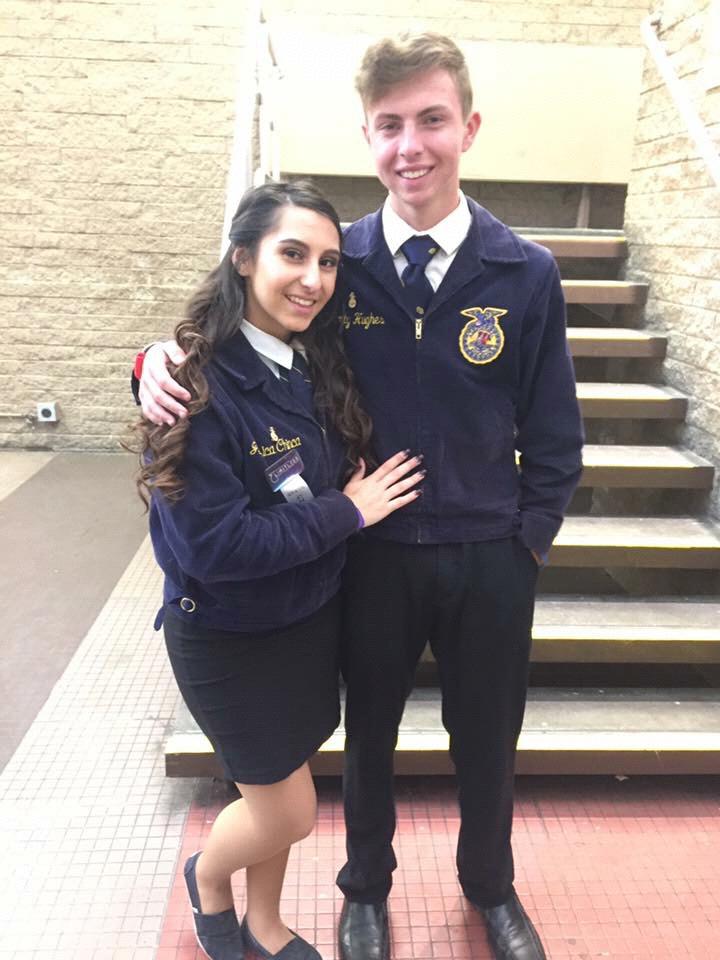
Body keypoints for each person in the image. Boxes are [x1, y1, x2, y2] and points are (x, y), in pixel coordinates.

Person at [133, 34, 584, 960]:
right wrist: (155, 359)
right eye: (389, 125)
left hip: (490, 555)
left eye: (431, 120)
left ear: (469, 128)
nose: (410, 144)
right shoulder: (344, 264)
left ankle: (491, 887)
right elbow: (250, 322)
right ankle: (365, 890)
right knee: (368, 734)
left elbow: (555, 431)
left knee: (488, 736)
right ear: (368, 137)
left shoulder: (525, 271)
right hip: (370, 551)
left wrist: (527, 542)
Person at [133, 180, 424, 960]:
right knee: (288, 810)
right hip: (229, 638)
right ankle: (206, 878)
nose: (313, 279)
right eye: (292, 254)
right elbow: (216, 548)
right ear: (242, 258)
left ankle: (263, 922)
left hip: (305, 623)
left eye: (328, 262)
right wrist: (347, 512)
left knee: (278, 784)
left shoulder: (311, 361)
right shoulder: (194, 388)